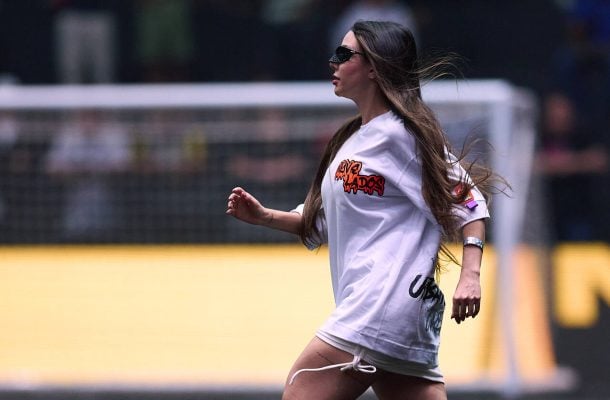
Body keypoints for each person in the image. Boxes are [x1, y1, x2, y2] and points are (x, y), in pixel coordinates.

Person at [226, 20, 498, 400]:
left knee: (300, 391)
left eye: (344, 54)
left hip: (378, 306)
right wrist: (265, 216)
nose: (332, 62)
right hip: (401, 317)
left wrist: (470, 275)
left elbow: (469, 201)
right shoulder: (354, 138)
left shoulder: (400, 134)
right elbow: (323, 222)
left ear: (374, 67)